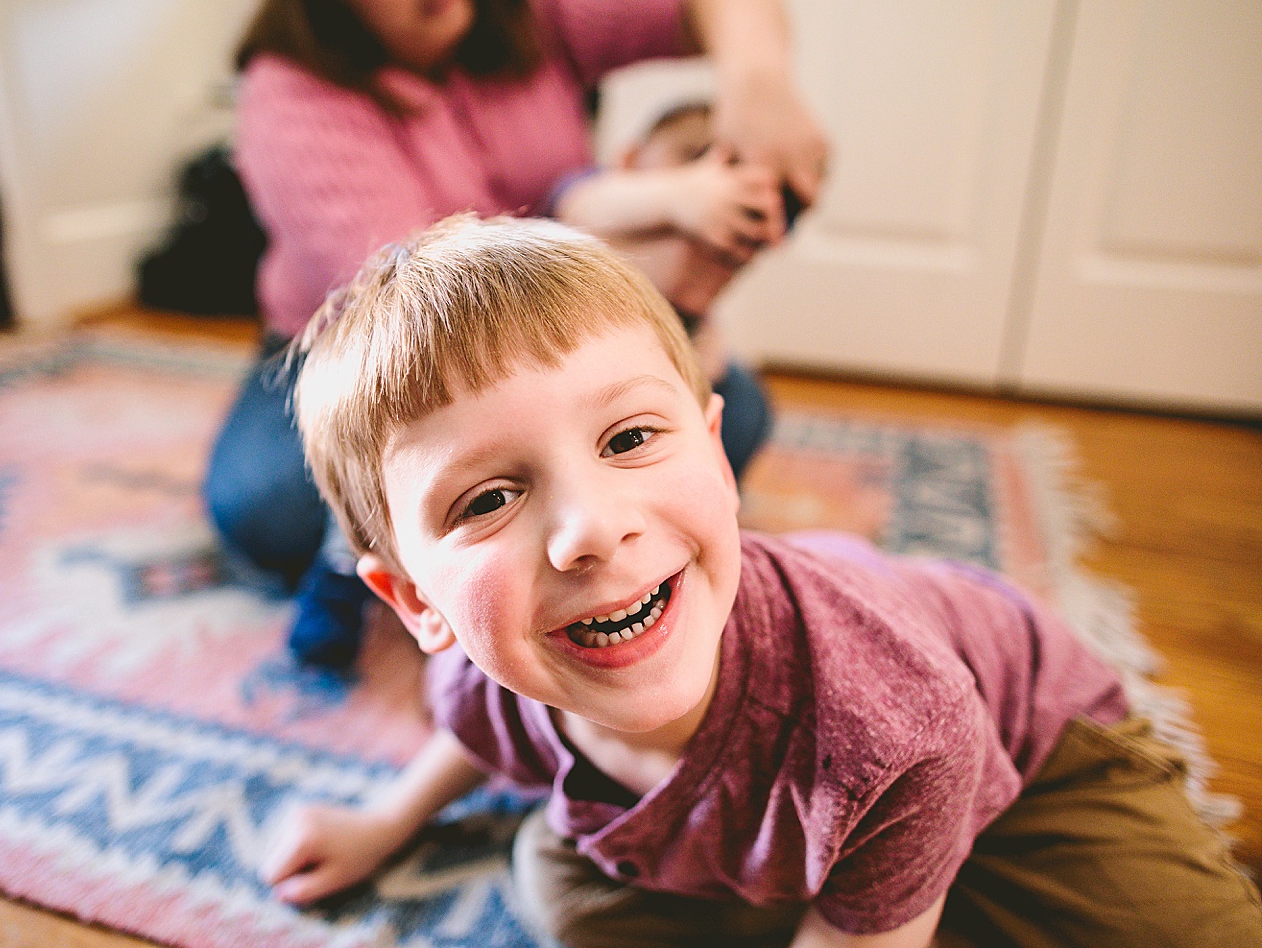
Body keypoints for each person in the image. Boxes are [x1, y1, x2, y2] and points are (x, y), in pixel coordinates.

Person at [258, 215, 1262, 948]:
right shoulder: (492, 668)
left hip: (1039, 757)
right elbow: (475, 727)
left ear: (718, 454)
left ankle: (890, 883)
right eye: (487, 501)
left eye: (629, 438)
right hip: (807, 808)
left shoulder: (897, 722)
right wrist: (382, 822)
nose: (593, 530)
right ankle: (870, 882)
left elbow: (904, 750)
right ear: (420, 604)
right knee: (569, 900)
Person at [203, 0, 831, 668]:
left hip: (554, 326)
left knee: (728, 417)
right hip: (370, 355)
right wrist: (654, 220)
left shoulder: (533, 5)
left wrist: (757, 82)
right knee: (273, 513)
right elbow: (418, 306)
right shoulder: (287, 92)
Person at [550, 97, 807, 470]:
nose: (716, 181)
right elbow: (579, 205)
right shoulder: (602, 197)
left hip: (666, 367)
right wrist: (679, 197)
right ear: (630, 159)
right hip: (572, 372)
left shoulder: (721, 232)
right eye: (694, 157)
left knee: (743, 404)